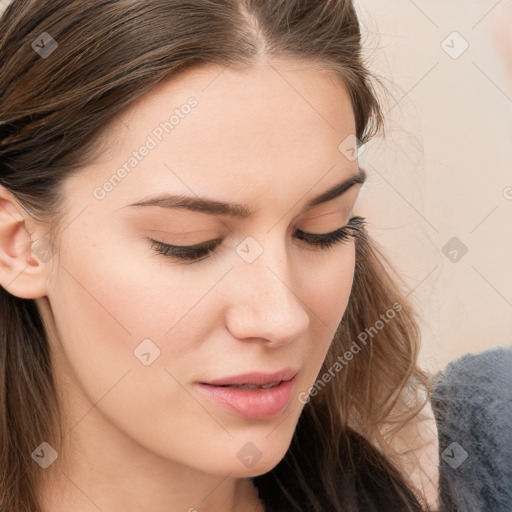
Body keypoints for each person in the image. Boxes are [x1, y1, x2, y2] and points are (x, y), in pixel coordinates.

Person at [0, 1, 510, 511]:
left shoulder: (482, 461)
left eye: (322, 231)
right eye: (190, 243)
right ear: (17, 244)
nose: (281, 318)